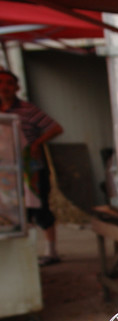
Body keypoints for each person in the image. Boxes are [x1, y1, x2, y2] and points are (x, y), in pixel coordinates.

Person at [0, 69, 64, 266]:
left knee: (39, 208)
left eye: (9, 83)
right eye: (1, 83)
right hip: (6, 170)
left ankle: (51, 251)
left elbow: (56, 128)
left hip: (32, 169)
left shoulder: (27, 109)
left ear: (17, 87)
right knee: (10, 211)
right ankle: (20, 255)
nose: (4, 87)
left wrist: (37, 144)